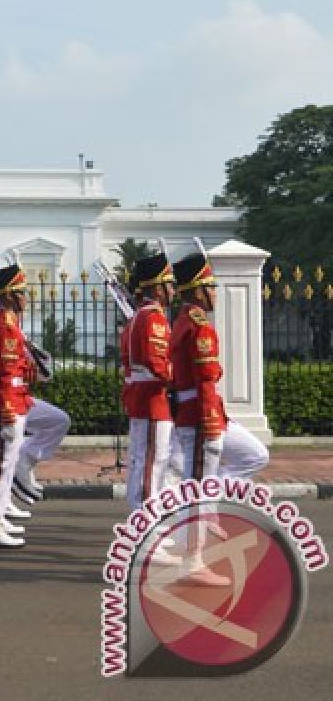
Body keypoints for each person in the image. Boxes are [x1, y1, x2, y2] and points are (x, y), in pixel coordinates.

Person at [167, 250, 269, 586]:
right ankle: (191, 561)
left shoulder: (184, 322)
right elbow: (205, 379)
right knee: (197, 488)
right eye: (210, 287)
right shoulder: (197, 326)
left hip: (205, 412)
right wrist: (212, 421)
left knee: (253, 455)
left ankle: (207, 514)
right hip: (201, 414)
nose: (214, 293)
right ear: (197, 290)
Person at [0, 264, 35, 549]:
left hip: (13, 398)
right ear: (9, 295)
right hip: (7, 402)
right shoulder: (4, 325)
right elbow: (4, 373)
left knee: (5, 462)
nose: (26, 297)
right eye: (21, 292)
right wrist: (9, 410)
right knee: (0, 462)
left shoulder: (8, 322)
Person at [121, 252, 176, 513]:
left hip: (143, 397)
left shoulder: (139, 316)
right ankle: (146, 523)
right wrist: (182, 376)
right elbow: (157, 364)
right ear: (157, 287)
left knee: (143, 460)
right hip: (152, 399)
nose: (174, 291)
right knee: (152, 462)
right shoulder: (152, 318)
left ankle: (140, 518)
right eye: (170, 285)